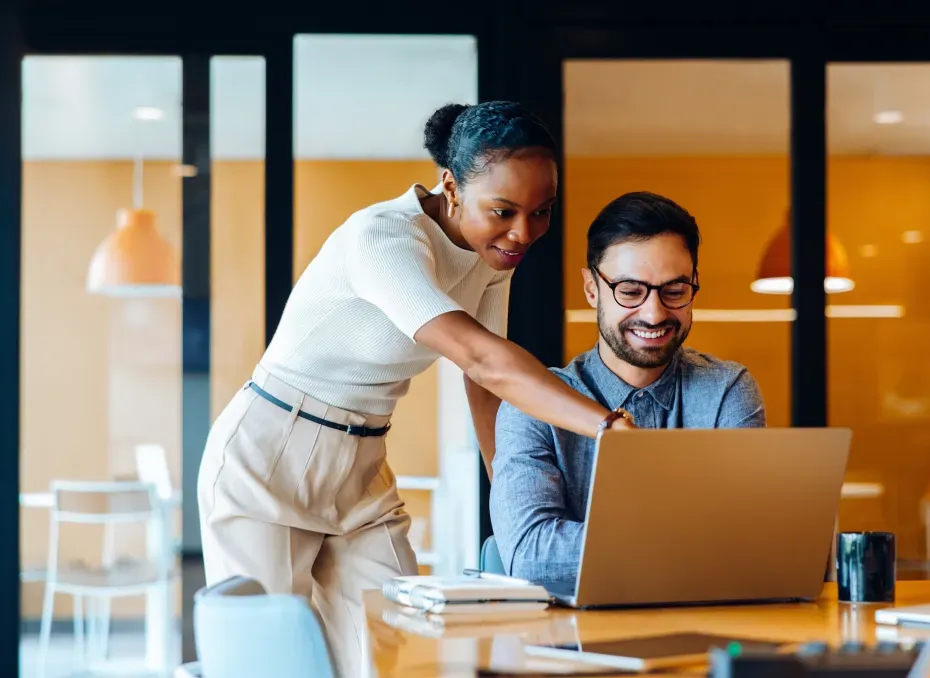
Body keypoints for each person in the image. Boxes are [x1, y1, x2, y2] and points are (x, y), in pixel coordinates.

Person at [196, 101, 635, 675]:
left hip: (362, 462)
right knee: (271, 662)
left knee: (392, 651)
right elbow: (481, 358)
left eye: (542, 211)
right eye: (503, 210)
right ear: (450, 186)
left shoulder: (492, 255)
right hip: (270, 452)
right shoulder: (383, 239)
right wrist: (607, 425)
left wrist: (509, 500)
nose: (523, 232)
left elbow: (485, 389)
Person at [490, 191, 766, 588]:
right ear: (591, 289)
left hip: (704, 636)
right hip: (573, 645)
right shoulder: (531, 405)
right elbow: (532, 558)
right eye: (631, 291)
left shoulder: (726, 391)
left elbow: (752, 548)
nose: (654, 314)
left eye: (674, 291)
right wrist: (699, 540)